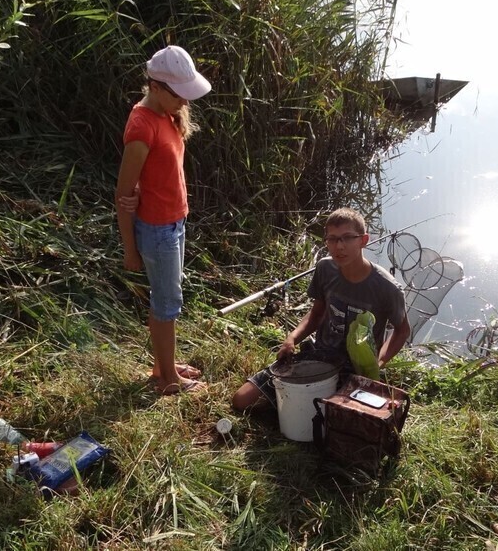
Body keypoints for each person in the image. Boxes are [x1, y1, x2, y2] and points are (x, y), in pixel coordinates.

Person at [232, 207, 411, 411]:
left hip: (354, 368)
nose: (339, 246)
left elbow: (402, 331)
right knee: (242, 399)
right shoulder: (325, 268)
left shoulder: (387, 287)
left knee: (333, 419)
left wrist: (377, 364)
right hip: (320, 355)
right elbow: (317, 313)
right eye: (332, 239)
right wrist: (292, 339)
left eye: (347, 238)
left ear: (363, 240)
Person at [116, 45, 211, 395]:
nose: (185, 101)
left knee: (167, 298)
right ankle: (168, 379)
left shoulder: (167, 114)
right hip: (157, 230)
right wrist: (130, 249)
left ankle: (163, 365)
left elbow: (153, 174)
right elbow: (122, 194)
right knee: (167, 303)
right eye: (178, 94)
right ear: (155, 87)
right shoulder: (142, 126)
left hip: (174, 223)